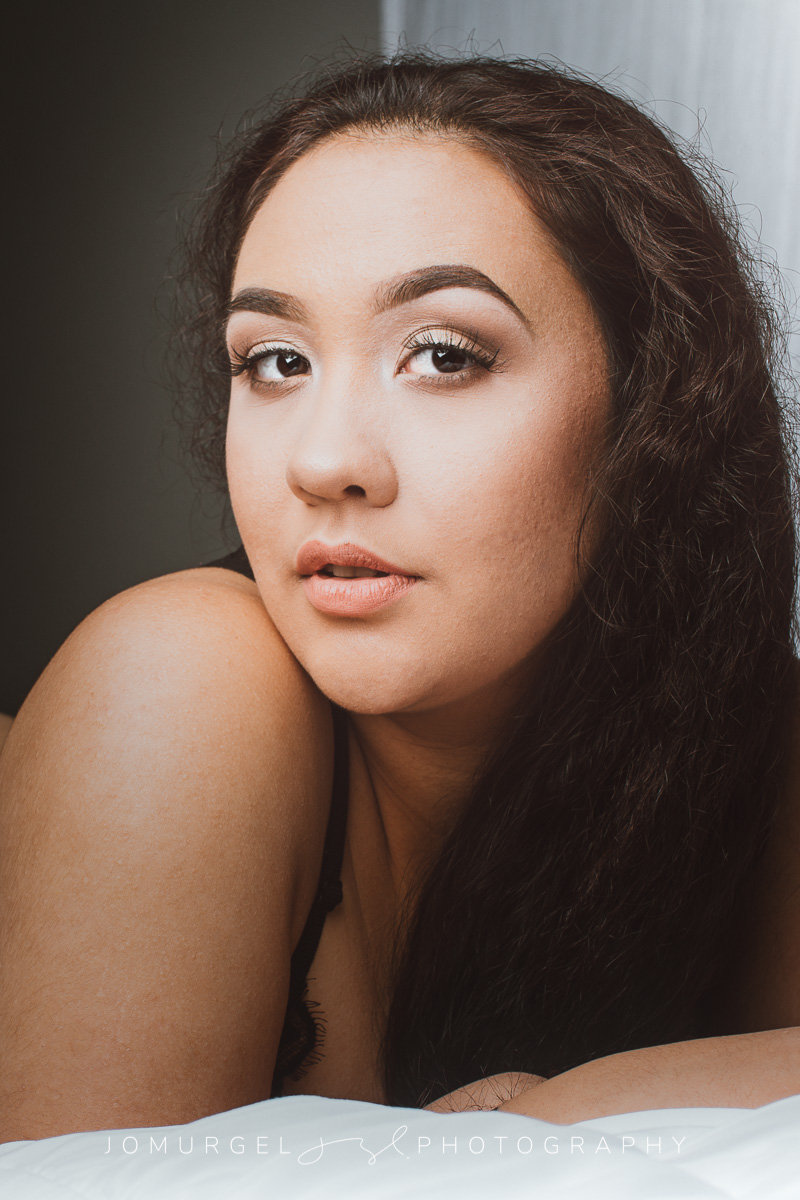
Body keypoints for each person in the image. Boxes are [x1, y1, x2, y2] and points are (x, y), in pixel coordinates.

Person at [1, 52, 798, 1142]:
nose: (324, 460)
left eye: (442, 354)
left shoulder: (749, 746)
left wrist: (566, 1111)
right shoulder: (177, 680)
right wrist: (530, 1136)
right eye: (274, 362)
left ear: (650, 411)